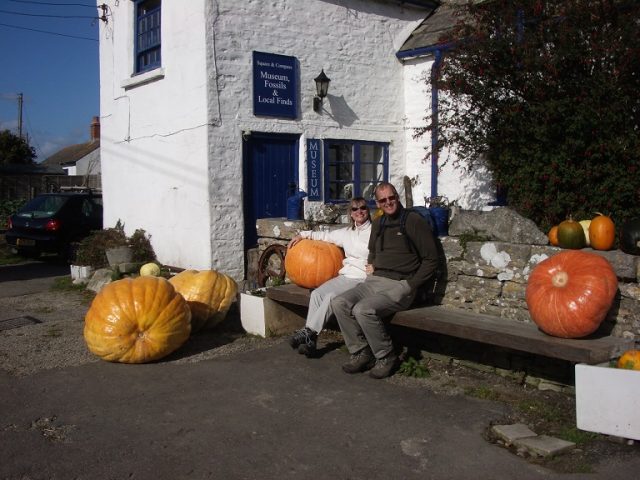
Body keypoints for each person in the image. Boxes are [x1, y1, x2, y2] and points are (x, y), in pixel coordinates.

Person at [331, 182, 439, 379]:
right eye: (383, 200)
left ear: (397, 196)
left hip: (400, 284)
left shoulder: (413, 221)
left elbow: (431, 260)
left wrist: (411, 285)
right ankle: (361, 352)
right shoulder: (379, 223)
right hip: (375, 280)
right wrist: (371, 266)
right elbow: (372, 250)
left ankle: (386, 356)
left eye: (391, 197)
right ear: (378, 203)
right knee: (338, 302)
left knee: (362, 309)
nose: (388, 202)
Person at [288, 197, 372, 357]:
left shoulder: (375, 232)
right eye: (355, 209)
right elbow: (324, 235)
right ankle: (311, 342)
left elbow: (384, 252)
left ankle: (309, 332)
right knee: (317, 294)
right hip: (346, 276)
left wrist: (375, 265)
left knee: (332, 297)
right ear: (350, 213)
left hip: (362, 279)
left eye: (363, 208)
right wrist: (303, 235)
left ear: (368, 210)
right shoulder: (347, 233)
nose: (359, 211)